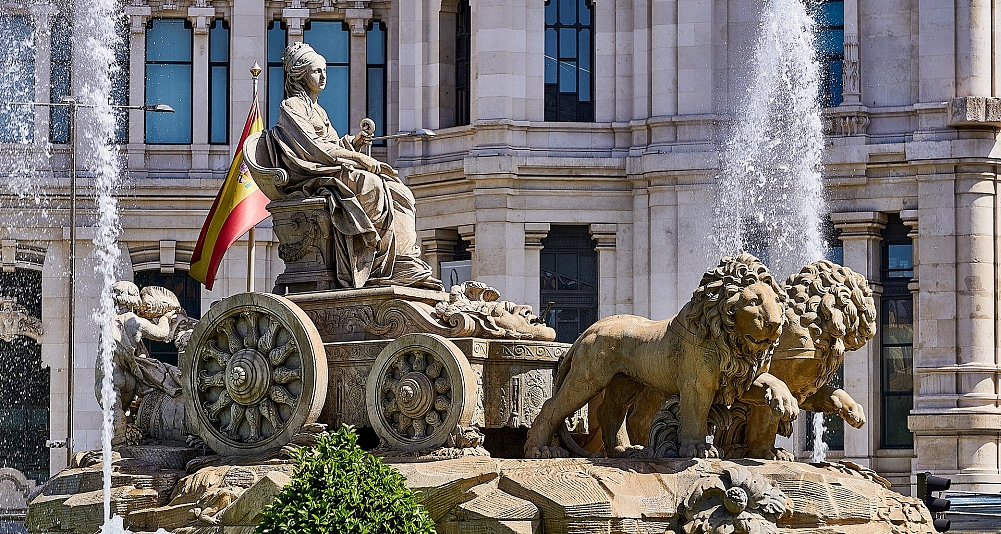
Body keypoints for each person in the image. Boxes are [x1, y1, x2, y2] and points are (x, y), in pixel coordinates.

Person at [269, 42, 442, 290]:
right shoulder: (292, 107)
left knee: (398, 190)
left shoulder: (318, 110)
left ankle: (401, 260)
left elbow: (331, 144)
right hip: (313, 177)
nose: (323, 76)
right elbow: (313, 150)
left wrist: (353, 143)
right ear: (300, 74)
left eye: (325, 70)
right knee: (372, 186)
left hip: (333, 169)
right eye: (316, 71)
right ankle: (377, 264)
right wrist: (359, 158)